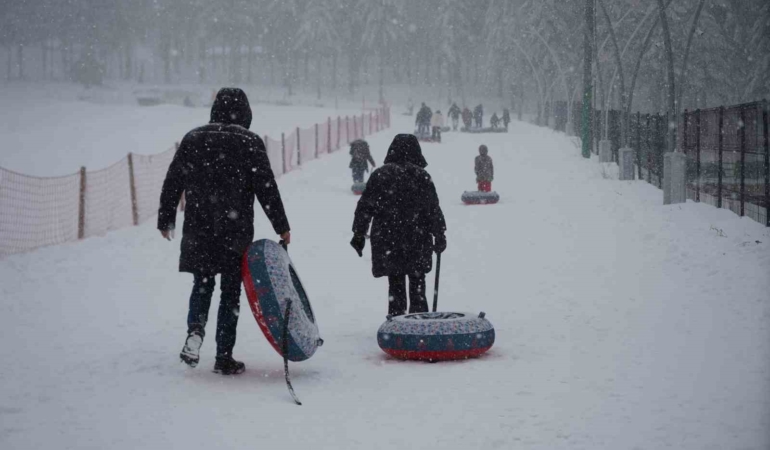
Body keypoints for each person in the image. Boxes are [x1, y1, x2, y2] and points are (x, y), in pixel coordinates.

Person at [158, 87, 291, 375]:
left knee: (202, 284)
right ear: (246, 113)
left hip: (199, 228)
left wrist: (166, 218)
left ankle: (195, 332)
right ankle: (223, 356)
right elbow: (266, 188)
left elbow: (173, 180)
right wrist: (282, 226)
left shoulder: (194, 138)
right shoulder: (249, 142)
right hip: (235, 231)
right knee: (230, 293)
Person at [351, 134, 447, 316]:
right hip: (417, 239)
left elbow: (365, 207)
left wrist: (358, 234)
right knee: (418, 282)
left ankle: (397, 322)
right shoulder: (422, 176)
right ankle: (419, 322)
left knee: (395, 282)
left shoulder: (380, 175)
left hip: (389, 239)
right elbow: (433, 209)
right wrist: (440, 235)